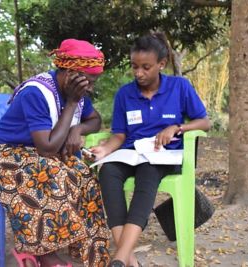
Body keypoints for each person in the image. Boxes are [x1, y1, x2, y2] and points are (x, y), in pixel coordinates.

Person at [0, 39, 111, 267]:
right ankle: (44, 254)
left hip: (40, 151)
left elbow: (96, 120)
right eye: (88, 81)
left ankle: (85, 249)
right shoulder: (37, 92)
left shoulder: (77, 93)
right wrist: (72, 103)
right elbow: (47, 147)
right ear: (70, 73)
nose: (90, 88)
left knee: (84, 175)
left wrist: (78, 129)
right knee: (49, 173)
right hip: (6, 153)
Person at [90, 32, 211, 267]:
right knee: (107, 172)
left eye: (146, 67)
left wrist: (177, 127)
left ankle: (118, 258)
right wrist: (105, 151)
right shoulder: (125, 94)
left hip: (163, 155)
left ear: (161, 64)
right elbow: (119, 135)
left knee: (148, 174)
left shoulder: (179, 87)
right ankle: (129, 260)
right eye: (134, 66)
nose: (139, 73)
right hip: (130, 153)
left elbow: (204, 122)